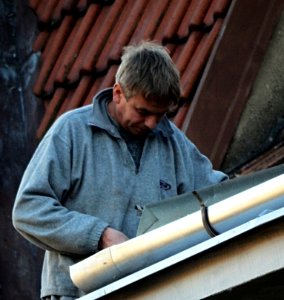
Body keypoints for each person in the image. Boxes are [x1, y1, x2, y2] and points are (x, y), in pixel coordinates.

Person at [12, 41, 228, 299]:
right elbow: (28, 209)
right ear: (117, 93)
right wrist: (99, 235)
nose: (151, 124)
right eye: (143, 112)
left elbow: (222, 197)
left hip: (155, 291)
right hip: (77, 293)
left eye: (160, 115)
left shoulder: (175, 144)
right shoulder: (70, 132)